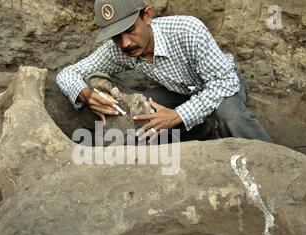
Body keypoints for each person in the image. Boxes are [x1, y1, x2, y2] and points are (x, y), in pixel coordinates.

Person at [57, 0, 271, 143]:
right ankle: (202, 131)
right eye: (116, 36)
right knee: (139, 112)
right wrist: (85, 94)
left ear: (147, 16)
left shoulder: (187, 29)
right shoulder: (118, 49)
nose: (125, 43)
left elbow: (224, 82)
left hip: (220, 86)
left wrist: (179, 115)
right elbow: (66, 74)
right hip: (181, 95)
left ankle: (272, 164)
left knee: (230, 115)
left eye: (130, 30)